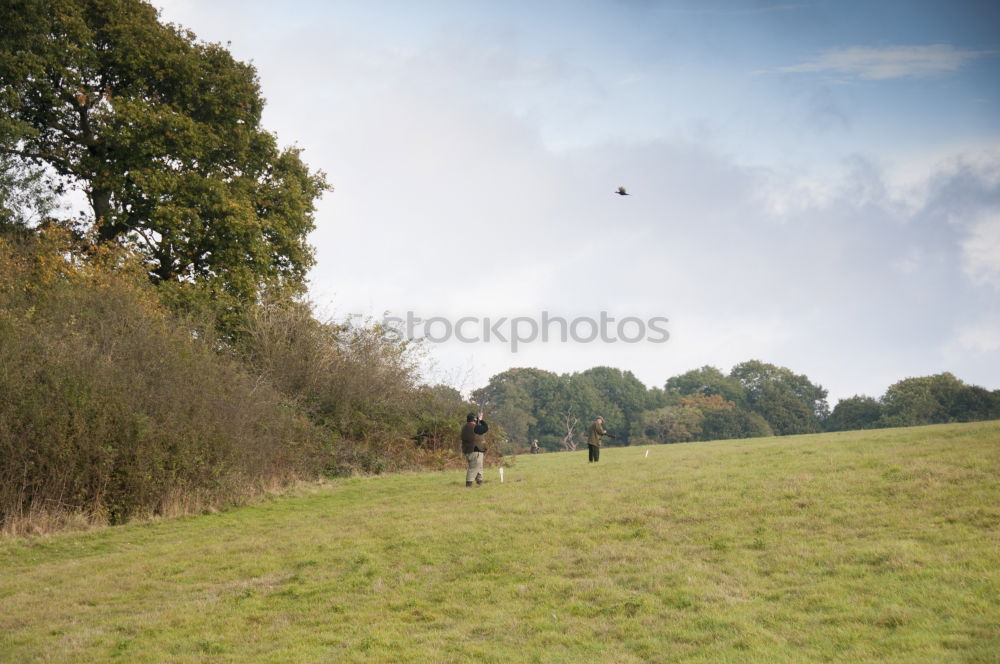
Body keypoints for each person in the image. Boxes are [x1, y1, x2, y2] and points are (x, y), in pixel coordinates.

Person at [460, 412, 489, 487]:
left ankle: (480, 482)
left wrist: (478, 420)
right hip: (475, 451)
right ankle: (468, 484)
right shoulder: (474, 427)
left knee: (478, 467)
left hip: (468, 451)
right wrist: (481, 420)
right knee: (473, 468)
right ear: (474, 419)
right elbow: (485, 428)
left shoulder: (464, 427)